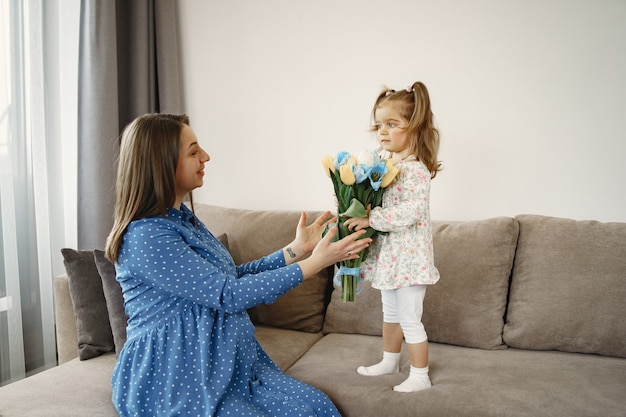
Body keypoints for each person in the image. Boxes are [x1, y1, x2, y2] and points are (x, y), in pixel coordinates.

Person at [104, 113, 371, 416]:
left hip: (223, 365)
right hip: (176, 374)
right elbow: (229, 294)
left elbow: (230, 277)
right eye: (193, 152)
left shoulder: (181, 220)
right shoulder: (147, 236)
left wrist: (296, 250)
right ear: (160, 164)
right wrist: (316, 263)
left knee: (319, 407)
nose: (206, 156)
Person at [344, 81, 441, 393]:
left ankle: (420, 375)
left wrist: (370, 217)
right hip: (391, 259)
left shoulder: (415, 170)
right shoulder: (386, 166)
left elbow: (411, 210)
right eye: (379, 125)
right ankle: (389, 360)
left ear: (413, 128)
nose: (382, 132)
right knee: (390, 312)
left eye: (391, 124)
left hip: (411, 261)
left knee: (410, 317)